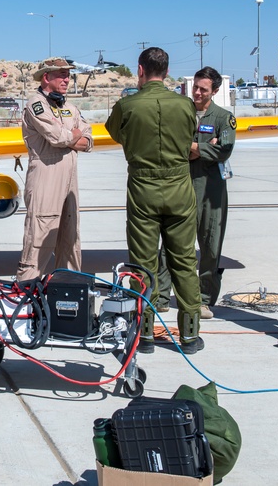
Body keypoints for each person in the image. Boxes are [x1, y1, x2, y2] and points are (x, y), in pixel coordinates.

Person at [105, 48, 203, 354]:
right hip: (179, 188)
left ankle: (144, 333)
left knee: (143, 263)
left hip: (143, 188)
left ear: (141, 70)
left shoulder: (128, 104)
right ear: (167, 70)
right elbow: (190, 136)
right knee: (184, 261)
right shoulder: (185, 104)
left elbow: (115, 134)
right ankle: (189, 334)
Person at [155, 67, 236, 319]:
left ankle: (203, 299)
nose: (198, 93)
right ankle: (160, 296)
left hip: (211, 190)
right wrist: (202, 147)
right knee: (172, 242)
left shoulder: (223, 118)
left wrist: (193, 148)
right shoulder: (181, 112)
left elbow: (224, 150)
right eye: (195, 88)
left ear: (215, 91)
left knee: (210, 244)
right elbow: (169, 144)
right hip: (181, 186)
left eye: (204, 89)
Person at [16, 57, 93, 281]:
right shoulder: (36, 105)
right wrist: (72, 136)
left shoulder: (70, 107)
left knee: (70, 240)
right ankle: (26, 294)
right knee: (38, 239)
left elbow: (88, 140)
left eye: (68, 75)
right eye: (61, 75)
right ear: (46, 77)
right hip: (45, 178)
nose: (67, 79)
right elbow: (57, 136)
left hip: (70, 183)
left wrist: (73, 137)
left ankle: (69, 291)